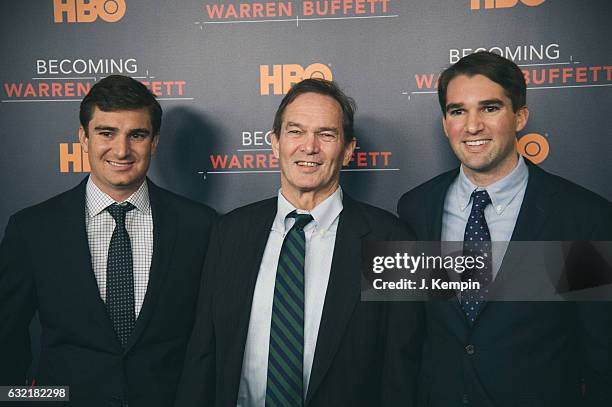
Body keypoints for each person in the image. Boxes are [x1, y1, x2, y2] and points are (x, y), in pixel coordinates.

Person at [176, 78, 422, 407]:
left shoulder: (390, 238)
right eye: (295, 131)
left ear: (348, 150)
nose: (309, 147)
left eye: (326, 134)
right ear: (275, 143)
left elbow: (400, 370)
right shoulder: (230, 232)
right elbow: (203, 354)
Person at [397, 51, 612, 406]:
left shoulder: (581, 216)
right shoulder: (415, 208)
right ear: (445, 123)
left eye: (490, 108)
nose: (472, 126)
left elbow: (603, 355)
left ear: (520, 117)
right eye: (458, 111)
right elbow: (406, 335)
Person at [0, 75, 216, 407]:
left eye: (137, 135)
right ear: (83, 139)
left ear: (155, 142)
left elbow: (211, 344)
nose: (121, 150)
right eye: (106, 133)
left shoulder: (201, 226)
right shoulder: (32, 229)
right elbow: (7, 340)